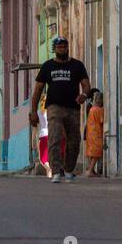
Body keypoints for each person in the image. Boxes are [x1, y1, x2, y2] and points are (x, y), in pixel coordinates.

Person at [30, 36, 90, 182]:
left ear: (67, 48)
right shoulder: (47, 66)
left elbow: (86, 85)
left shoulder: (77, 65)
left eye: (64, 46)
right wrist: (33, 112)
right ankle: (56, 171)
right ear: (54, 49)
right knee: (55, 138)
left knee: (74, 140)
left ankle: (69, 169)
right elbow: (38, 89)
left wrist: (83, 94)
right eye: (59, 47)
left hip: (73, 109)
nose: (62, 49)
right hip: (54, 108)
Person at [85, 90, 105, 177]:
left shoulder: (91, 109)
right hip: (97, 133)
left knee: (91, 152)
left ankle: (91, 170)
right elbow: (102, 121)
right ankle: (90, 171)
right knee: (97, 153)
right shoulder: (99, 110)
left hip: (90, 133)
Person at [37, 98, 51, 178]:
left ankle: (49, 170)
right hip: (49, 134)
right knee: (47, 157)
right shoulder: (49, 112)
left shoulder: (39, 113)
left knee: (43, 159)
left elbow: (37, 126)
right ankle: (48, 174)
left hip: (42, 135)